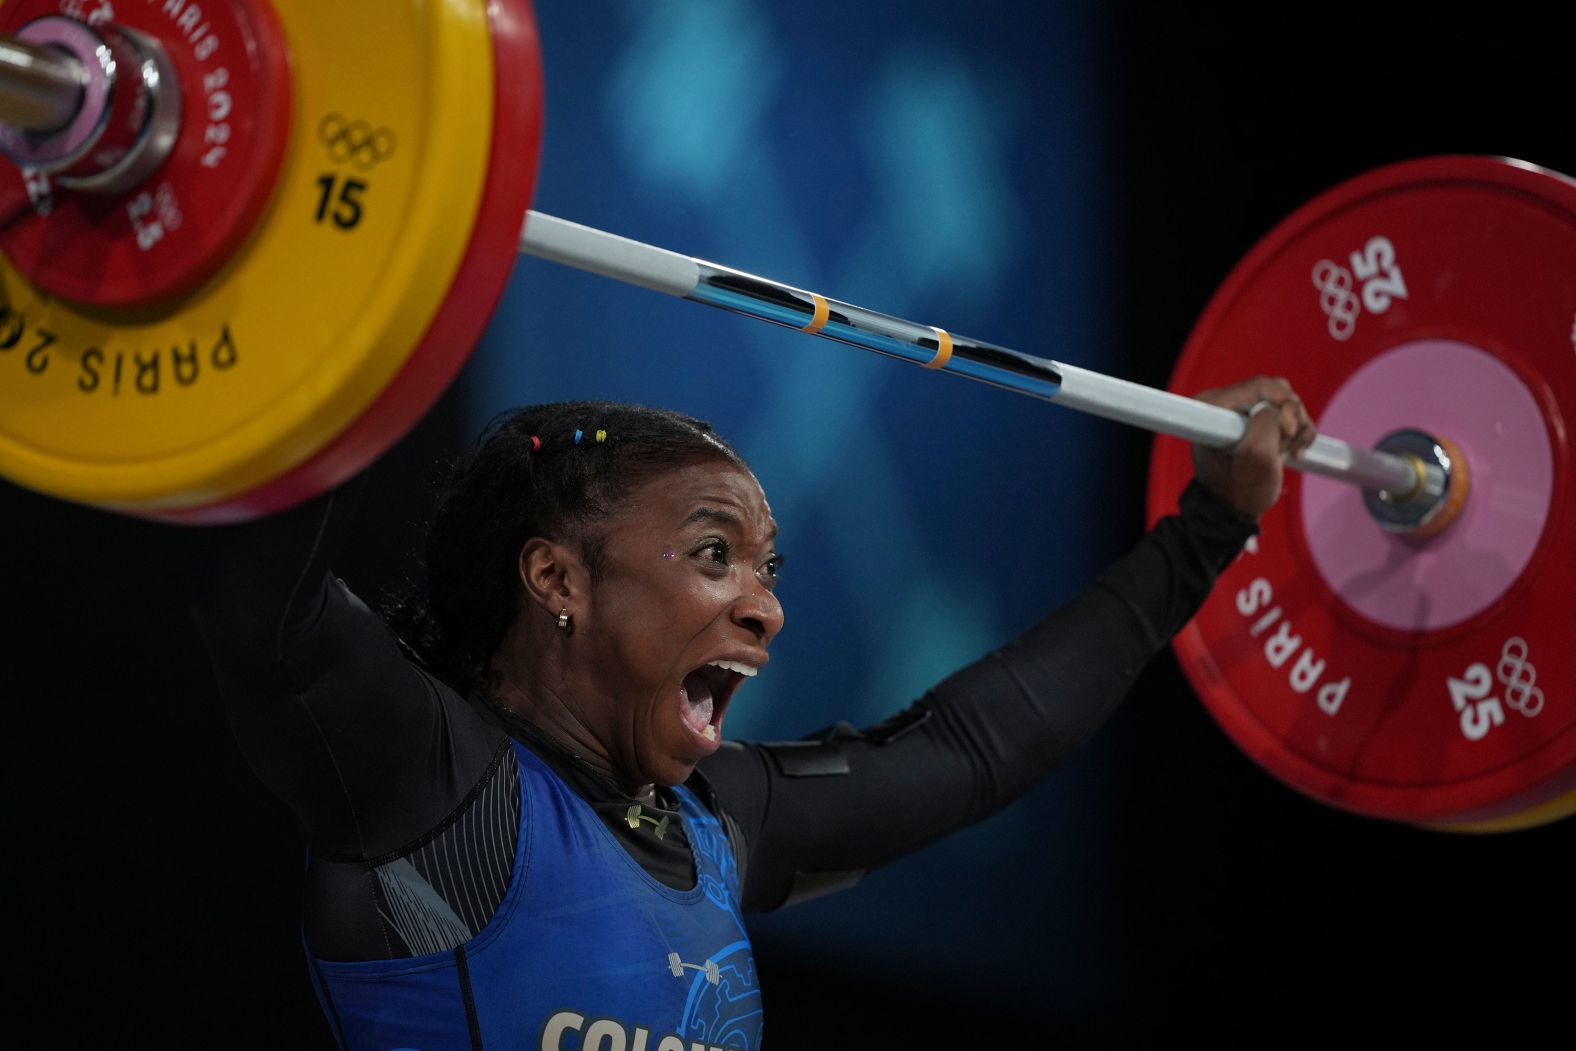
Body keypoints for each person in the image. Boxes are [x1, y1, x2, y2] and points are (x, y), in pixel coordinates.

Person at [191, 378, 1314, 1050]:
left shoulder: (715, 826)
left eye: (766, 566)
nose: (766, 607)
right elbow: (268, 620)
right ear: (558, 580)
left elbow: (970, 751)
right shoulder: (433, 789)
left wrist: (1208, 530)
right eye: (714, 554)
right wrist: (359, 336)